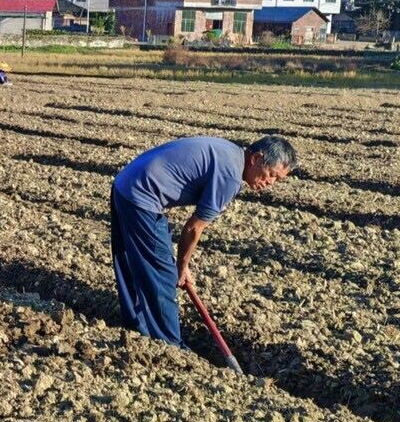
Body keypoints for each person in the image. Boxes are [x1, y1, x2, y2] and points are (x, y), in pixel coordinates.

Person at [109, 135, 297, 345]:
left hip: (124, 183)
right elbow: (192, 228)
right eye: (271, 174)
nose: (270, 183)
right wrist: (181, 265)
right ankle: (169, 345)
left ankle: (136, 327)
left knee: (129, 259)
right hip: (142, 196)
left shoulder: (231, 152)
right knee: (163, 275)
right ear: (256, 159)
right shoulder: (230, 176)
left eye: (277, 180)